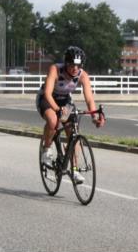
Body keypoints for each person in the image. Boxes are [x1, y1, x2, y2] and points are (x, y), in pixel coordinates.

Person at [36, 46, 105, 182]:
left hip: (65, 101)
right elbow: (48, 94)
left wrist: (94, 116)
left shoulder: (83, 75)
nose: (75, 68)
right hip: (47, 99)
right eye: (72, 65)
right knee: (53, 120)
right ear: (66, 63)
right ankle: (46, 149)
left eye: (78, 65)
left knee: (73, 132)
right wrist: (57, 109)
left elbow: (89, 99)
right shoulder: (55, 69)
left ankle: (74, 169)